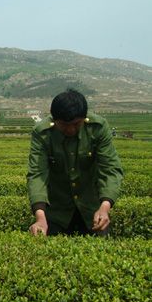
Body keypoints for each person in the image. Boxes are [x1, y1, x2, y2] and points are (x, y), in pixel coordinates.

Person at [27, 89, 123, 236]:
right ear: (54, 119)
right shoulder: (43, 133)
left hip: (92, 210)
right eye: (64, 125)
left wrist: (104, 207)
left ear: (84, 118)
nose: (70, 129)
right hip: (57, 213)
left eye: (76, 124)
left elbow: (110, 169)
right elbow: (37, 174)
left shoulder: (97, 128)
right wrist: (40, 218)